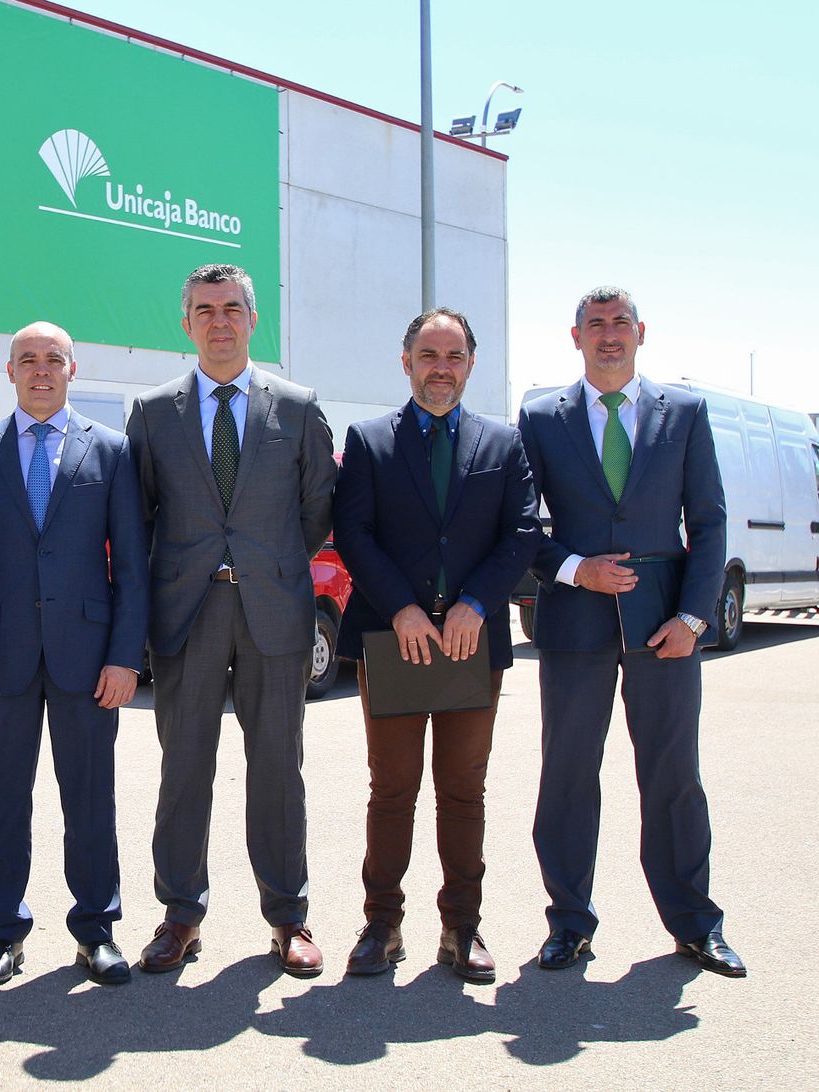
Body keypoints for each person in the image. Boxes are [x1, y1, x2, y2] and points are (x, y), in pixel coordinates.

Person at [519, 286, 744, 978]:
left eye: (620, 323)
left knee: (674, 776)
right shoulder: (539, 416)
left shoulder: (685, 411)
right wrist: (574, 569)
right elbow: (521, 524)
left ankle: (694, 923)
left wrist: (694, 618)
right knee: (567, 777)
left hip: (664, 627)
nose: (609, 334)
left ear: (640, 332)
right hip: (574, 624)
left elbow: (707, 523)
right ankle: (569, 923)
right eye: (596, 324)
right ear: (575, 335)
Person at [125, 263, 338, 976]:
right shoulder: (154, 412)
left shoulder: (299, 407)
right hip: (187, 611)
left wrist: (265, 565)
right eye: (204, 310)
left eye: (232, 309)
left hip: (273, 611)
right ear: (185, 322)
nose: (219, 321)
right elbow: (142, 517)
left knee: (278, 769)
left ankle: (289, 917)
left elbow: (314, 512)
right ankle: (180, 914)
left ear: (254, 319)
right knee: (184, 769)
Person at [331, 308, 540, 984]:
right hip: (396, 641)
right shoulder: (368, 441)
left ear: (470, 364)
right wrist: (403, 610)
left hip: (472, 644)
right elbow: (354, 533)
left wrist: (477, 602)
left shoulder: (504, 445)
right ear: (407, 362)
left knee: (463, 791)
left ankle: (461, 928)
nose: (440, 368)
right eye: (428, 355)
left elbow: (524, 532)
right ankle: (382, 925)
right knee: (391, 790)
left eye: (453, 355)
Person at [0, 321, 149, 986]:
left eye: (52, 359)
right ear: (9, 372)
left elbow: (132, 570)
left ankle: (96, 931)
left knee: (90, 799)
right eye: (27, 360)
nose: (40, 370)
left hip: (88, 658)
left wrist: (125, 657)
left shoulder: (110, 451)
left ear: (71, 369)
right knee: (2, 801)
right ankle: (3, 933)